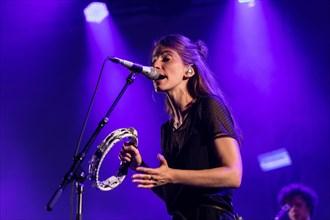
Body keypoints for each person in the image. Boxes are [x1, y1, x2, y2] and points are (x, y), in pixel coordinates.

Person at [119, 34, 243, 220]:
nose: (156, 65)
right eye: (154, 60)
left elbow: (233, 175)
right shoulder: (167, 130)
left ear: (189, 71)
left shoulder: (209, 106)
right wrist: (141, 167)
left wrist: (172, 175)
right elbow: (173, 195)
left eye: (166, 58)